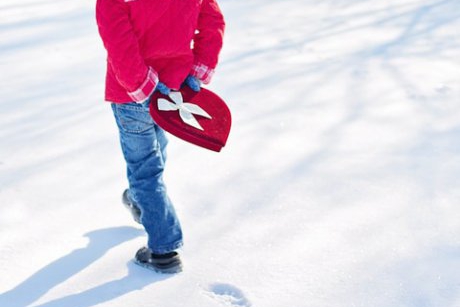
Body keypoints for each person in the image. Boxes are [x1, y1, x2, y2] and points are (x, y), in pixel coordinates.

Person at [95, 0, 225, 273]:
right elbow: (212, 22)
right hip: (170, 89)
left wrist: (141, 83)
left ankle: (163, 249)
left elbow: (117, 38)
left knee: (145, 170)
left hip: (135, 94)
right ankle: (141, 199)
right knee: (154, 154)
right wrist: (199, 65)